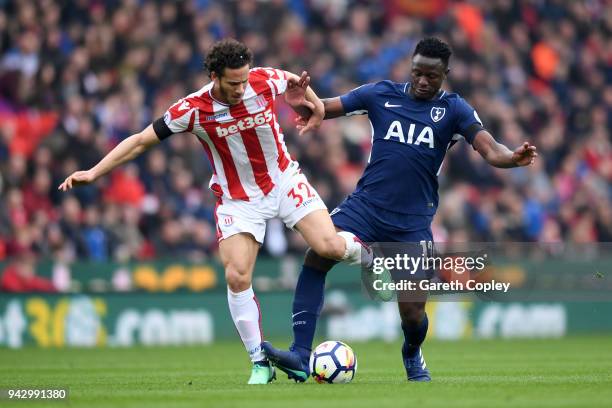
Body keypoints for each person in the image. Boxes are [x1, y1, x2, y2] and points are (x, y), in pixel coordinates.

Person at [58, 39, 372, 385]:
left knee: (328, 246)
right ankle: (259, 364)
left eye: (244, 80)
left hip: (282, 180)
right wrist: (94, 172)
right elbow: (140, 141)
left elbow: (295, 84)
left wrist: (313, 107)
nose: (241, 88)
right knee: (237, 275)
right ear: (214, 76)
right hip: (238, 199)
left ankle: (372, 258)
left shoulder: (262, 80)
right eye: (233, 82)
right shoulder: (191, 109)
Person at [262, 37, 538, 382]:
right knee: (317, 255)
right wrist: (303, 102)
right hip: (364, 208)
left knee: (412, 313)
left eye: (432, 76)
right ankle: (301, 355)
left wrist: (512, 158)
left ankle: (411, 352)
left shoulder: (454, 110)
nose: (423, 81)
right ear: (410, 67)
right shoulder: (380, 94)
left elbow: (489, 148)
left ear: (445, 75)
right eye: (417, 72)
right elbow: (325, 108)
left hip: (411, 224)